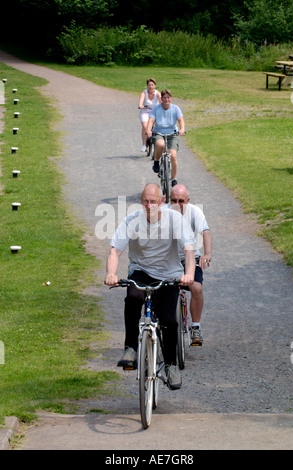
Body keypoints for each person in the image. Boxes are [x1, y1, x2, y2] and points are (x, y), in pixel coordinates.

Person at [105, 183, 195, 390]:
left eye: (153, 201)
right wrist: (111, 273)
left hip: (169, 274)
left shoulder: (175, 220)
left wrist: (188, 275)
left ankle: (171, 366)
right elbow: (115, 250)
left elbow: (188, 251)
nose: (149, 205)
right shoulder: (132, 221)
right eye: (145, 201)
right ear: (141, 201)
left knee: (168, 321)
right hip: (141, 271)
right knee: (133, 298)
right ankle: (130, 348)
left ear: (161, 201)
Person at [169, 184, 212, 345]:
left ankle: (195, 327)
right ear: (168, 200)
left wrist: (207, 254)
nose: (178, 204)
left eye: (181, 201)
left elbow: (205, 232)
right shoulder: (164, 213)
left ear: (188, 200)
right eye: (174, 200)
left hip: (191, 259)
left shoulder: (195, 212)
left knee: (196, 288)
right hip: (169, 261)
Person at [147, 89, 185, 187]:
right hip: (159, 132)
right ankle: (156, 161)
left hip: (172, 133)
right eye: (164, 98)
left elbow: (180, 120)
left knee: (173, 155)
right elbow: (151, 120)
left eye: (168, 97)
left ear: (171, 99)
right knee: (160, 144)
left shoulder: (175, 108)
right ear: (161, 99)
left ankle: (174, 179)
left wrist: (182, 129)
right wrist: (148, 130)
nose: (166, 99)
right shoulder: (156, 109)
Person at [138, 78, 161, 153]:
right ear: (147, 86)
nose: (150, 86)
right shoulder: (144, 93)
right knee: (145, 126)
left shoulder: (157, 93)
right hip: (145, 111)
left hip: (154, 112)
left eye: (152, 85)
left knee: (156, 127)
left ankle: (156, 141)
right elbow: (140, 102)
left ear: (155, 86)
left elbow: (161, 101)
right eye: (149, 85)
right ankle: (144, 144)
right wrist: (141, 105)